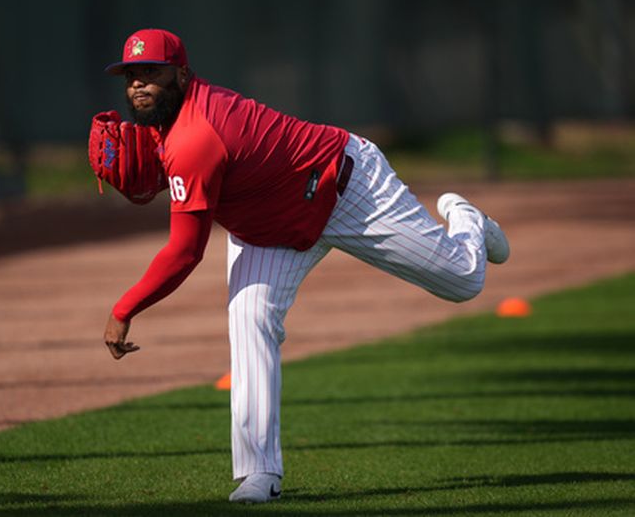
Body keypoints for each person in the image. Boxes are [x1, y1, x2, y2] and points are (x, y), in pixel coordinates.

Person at [97, 28, 509, 504]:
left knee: (464, 280)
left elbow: (186, 251)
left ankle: (465, 220)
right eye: (131, 75)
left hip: (346, 188)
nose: (139, 85)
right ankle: (258, 474)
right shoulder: (169, 127)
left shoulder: (195, 136)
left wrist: (125, 308)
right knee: (250, 320)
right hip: (270, 231)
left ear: (183, 75)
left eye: (152, 72)